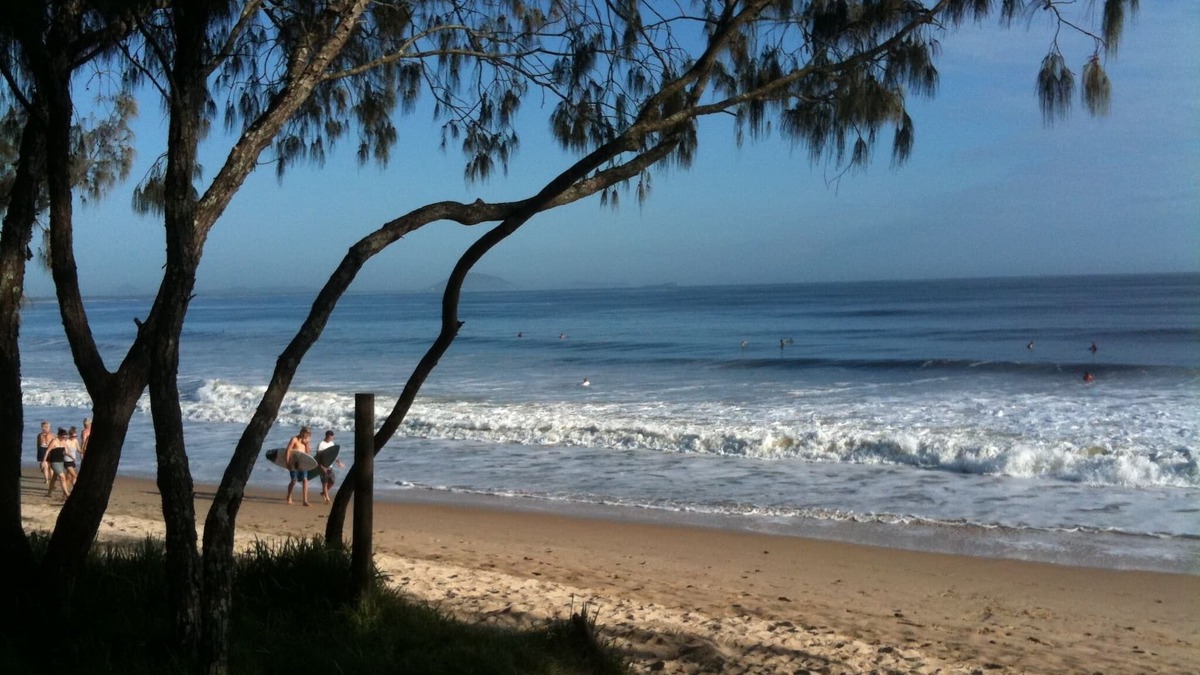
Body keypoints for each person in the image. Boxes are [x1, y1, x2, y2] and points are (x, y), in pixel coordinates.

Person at [315, 430, 345, 505]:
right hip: (322, 467)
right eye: (330, 437)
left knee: (332, 481)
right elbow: (318, 457)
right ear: (326, 436)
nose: (331, 439)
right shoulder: (321, 444)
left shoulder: (332, 443)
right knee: (325, 483)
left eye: (332, 438)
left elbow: (333, 455)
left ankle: (323, 493)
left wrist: (338, 462)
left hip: (330, 467)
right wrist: (321, 467)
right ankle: (327, 499)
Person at [285, 426, 313, 506]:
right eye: (306, 434)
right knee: (294, 481)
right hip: (293, 462)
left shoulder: (307, 440)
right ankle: (289, 496)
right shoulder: (294, 439)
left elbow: (308, 453)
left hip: (302, 463)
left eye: (308, 435)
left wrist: (306, 444)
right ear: (302, 432)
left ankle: (305, 501)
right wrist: (287, 462)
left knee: (305, 480)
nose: (307, 436)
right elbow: (288, 450)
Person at [42, 428, 70, 499]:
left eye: (65, 437)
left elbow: (66, 452)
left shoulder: (63, 442)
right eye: (63, 437)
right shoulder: (54, 441)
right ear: (59, 435)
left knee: (54, 478)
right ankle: (67, 494)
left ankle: (49, 493)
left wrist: (72, 457)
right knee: (62, 477)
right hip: (54, 462)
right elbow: (47, 451)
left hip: (61, 462)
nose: (64, 438)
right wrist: (44, 461)